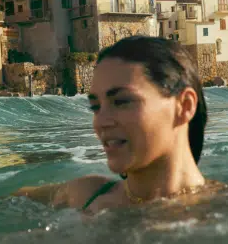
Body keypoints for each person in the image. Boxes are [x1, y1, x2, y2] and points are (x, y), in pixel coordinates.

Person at [15, 36, 213, 212]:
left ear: (184, 106)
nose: (101, 122)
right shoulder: (85, 195)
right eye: (95, 107)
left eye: (122, 101)